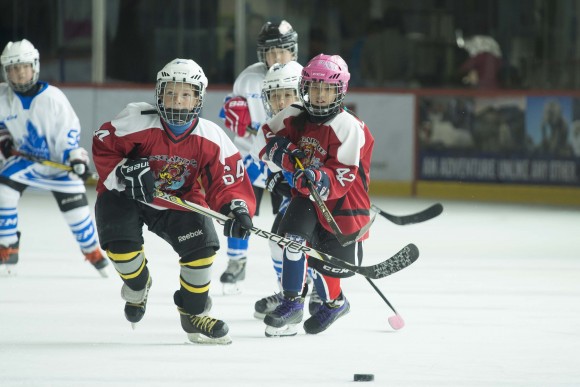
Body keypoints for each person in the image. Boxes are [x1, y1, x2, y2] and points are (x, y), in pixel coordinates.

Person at [92, 58, 255, 345]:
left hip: (179, 200)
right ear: (159, 94)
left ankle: (193, 315)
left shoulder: (211, 136)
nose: (177, 101)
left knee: (203, 251)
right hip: (127, 196)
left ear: (198, 98)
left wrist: (236, 207)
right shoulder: (137, 119)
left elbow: (228, 179)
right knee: (123, 252)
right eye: (170, 92)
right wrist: (125, 169)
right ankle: (138, 284)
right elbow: (103, 144)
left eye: (185, 94)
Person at [258, 54, 374, 337]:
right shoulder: (294, 114)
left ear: (340, 90)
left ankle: (336, 303)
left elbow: (345, 173)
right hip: (306, 197)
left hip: (344, 202)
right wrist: (286, 155)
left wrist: (320, 177)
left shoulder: (349, 126)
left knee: (328, 263)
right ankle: (291, 302)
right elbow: (268, 137)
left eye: (327, 89)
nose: (320, 95)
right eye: (314, 87)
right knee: (293, 240)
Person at [0, 38, 108, 276]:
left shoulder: (54, 98)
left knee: (77, 214)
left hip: (58, 164)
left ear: (34, 67)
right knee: (3, 191)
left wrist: (76, 159)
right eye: (13, 68)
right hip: (25, 161)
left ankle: (92, 252)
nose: (19, 73)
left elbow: (71, 134)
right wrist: (5, 143)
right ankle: (8, 245)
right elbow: (2, 127)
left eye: (24, 67)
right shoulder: (2, 96)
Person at [218, 20, 298, 294]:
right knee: (238, 207)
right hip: (249, 155)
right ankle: (236, 261)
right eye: (270, 51)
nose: (276, 57)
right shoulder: (248, 78)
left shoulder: (303, 76)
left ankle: (292, 274)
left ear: (293, 51)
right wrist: (235, 116)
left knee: (291, 219)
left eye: (282, 51)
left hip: (286, 160)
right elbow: (230, 114)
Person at [251, 60, 325, 319]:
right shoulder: (272, 125)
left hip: (322, 198)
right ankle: (290, 293)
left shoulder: (313, 122)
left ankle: (319, 290)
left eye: (288, 94)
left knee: (311, 242)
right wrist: (272, 180)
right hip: (297, 198)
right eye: (275, 95)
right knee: (279, 243)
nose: (281, 101)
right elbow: (256, 160)